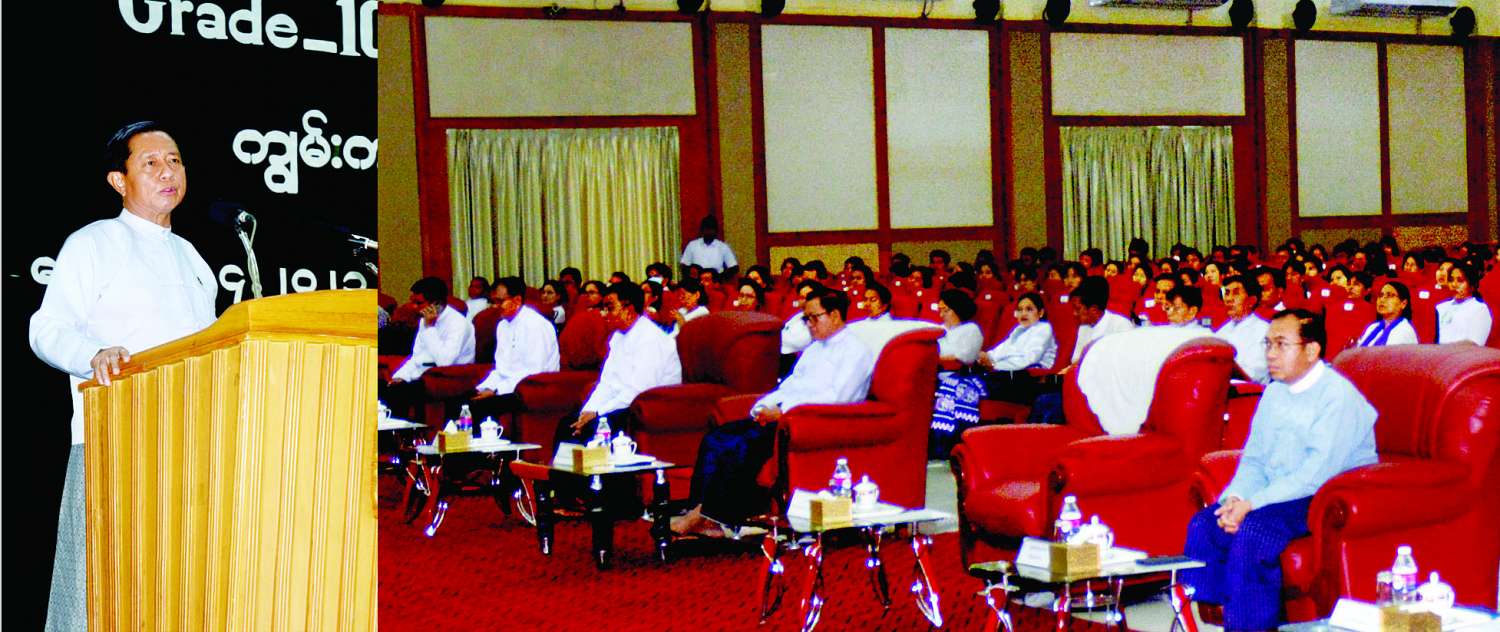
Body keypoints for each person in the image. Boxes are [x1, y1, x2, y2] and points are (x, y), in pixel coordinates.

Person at [29, 121, 219, 630]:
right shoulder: (93, 243)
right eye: (150, 163)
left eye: (174, 161)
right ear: (119, 180)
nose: (167, 172)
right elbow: (46, 328)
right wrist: (93, 354)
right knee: (99, 589)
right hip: (114, 437)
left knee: (173, 589)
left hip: (190, 443)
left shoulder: (193, 257)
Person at [1182, 310, 1378, 631]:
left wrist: (1252, 504)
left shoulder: (1338, 396)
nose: (1270, 354)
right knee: (1205, 524)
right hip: (1280, 492)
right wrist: (1234, 499)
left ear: (1311, 350)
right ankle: (1220, 618)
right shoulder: (1274, 391)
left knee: (1255, 531)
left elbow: (1314, 475)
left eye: (1281, 344)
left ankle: (1249, 626)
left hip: (1322, 495)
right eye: (1268, 344)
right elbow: (1255, 459)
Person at [670, 289, 875, 536]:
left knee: (741, 445)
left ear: (835, 315)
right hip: (784, 416)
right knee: (717, 437)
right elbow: (788, 386)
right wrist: (761, 408)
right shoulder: (814, 349)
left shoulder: (855, 351)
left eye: (814, 318)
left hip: (812, 423)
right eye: (806, 319)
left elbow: (836, 399)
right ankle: (697, 510)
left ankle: (712, 516)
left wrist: (783, 413)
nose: (809, 325)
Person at [557, 282, 682, 445]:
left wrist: (597, 413)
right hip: (620, 404)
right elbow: (606, 383)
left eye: (610, 308)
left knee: (592, 428)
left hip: (646, 406)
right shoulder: (618, 337)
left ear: (629, 310)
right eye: (603, 309)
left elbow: (638, 390)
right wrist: (586, 412)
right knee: (568, 424)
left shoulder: (650, 338)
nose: (604, 314)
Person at [1077, 298, 1212, 435]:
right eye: (1168, 308)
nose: (1170, 312)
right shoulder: (1162, 331)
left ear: (1192, 311)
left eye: (1176, 308)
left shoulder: (1201, 335)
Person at [463, 277, 560, 423]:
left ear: (517, 300)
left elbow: (534, 371)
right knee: (461, 401)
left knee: (480, 407)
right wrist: (487, 387)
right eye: (493, 301)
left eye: (500, 301)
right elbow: (501, 368)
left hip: (534, 388)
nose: (495, 306)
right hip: (508, 386)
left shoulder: (535, 325)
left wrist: (497, 390)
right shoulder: (502, 325)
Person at [382, 277, 477, 422]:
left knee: (400, 393)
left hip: (451, 376)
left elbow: (444, 361)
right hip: (425, 374)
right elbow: (417, 357)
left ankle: (409, 432)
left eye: (419, 303)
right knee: (384, 388)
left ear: (436, 303)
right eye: (412, 301)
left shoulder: (458, 323)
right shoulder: (424, 320)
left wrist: (430, 328)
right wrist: (400, 376)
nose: (413, 307)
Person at [1214, 275, 1270, 384]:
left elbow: (1256, 374)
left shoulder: (1264, 330)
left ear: (1251, 301)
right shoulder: (1221, 332)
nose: (1229, 299)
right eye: (1227, 293)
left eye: (1236, 293)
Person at [1068, 276, 1135, 368]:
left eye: (1078, 309)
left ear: (1094, 310)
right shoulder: (1083, 328)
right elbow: (1076, 360)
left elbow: (1123, 362)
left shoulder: (1121, 326)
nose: (1074, 313)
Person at [1436, 262, 1491, 345]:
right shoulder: (1441, 307)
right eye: (1451, 280)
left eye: (1460, 281)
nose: (1454, 285)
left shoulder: (1479, 309)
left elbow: (1475, 343)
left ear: (1472, 285)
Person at [1357, 280, 1417, 347]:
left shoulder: (1404, 330)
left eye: (1389, 295)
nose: (1382, 299)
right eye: (1381, 295)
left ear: (1403, 303)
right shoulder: (1372, 327)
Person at [679, 215, 739, 280]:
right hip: (696, 281)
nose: (708, 232)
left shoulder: (723, 247)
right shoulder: (692, 245)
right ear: (702, 230)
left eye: (711, 229)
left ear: (716, 231)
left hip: (715, 281)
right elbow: (684, 266)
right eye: (706, 229)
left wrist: (720, 278)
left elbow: (734, 267)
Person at [935, 289, 983, 367]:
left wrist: (933, 359)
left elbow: (967, 358)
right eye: (940, 311)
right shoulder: (940, 328)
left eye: (946, 311)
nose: (941, 315)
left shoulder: (971, 329)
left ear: (958, 310)